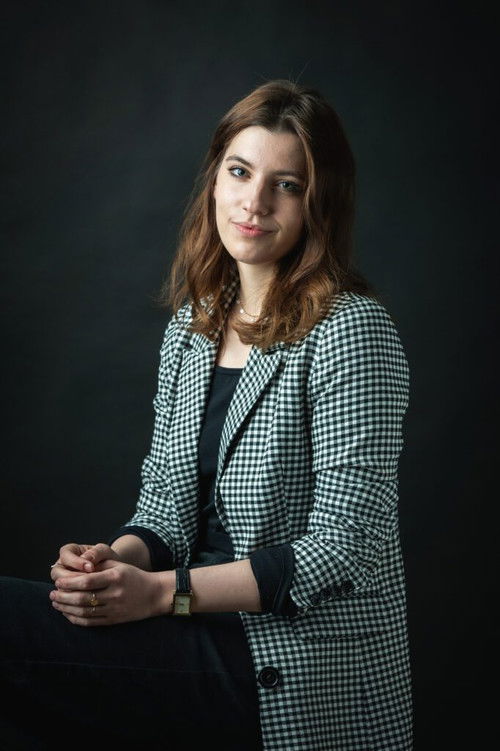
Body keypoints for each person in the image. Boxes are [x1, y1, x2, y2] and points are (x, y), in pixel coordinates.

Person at [1, 79, 412, 750]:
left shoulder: (352, 330)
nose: (255, 202)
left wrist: (161, 594)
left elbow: (344, 547)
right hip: (188, 626)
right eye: (241, 172)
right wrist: (111, 564)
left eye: (287, 185)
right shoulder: (194, 327)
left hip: (287, 661)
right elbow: (166, 505)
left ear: (320, 203)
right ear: (216, 178)